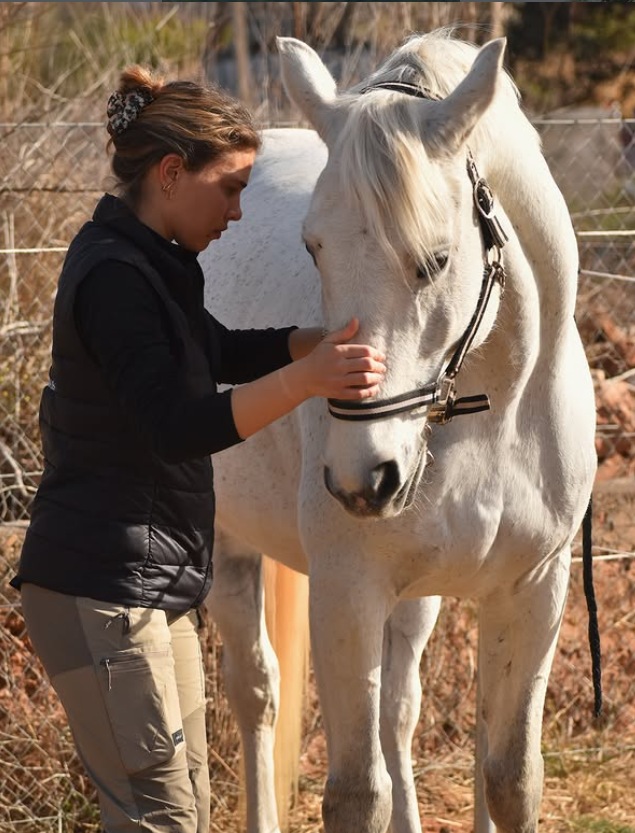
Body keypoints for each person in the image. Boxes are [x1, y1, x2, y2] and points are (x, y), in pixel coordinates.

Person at [10, 66, 386, 833]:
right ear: (171, 173)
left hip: (147, 585)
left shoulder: (154, 262)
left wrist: (308, 340)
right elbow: (176, 425)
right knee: (161, 816)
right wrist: (307, 379)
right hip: (102, 587)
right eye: (231, 188)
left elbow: (213, 348)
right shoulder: (115, 277)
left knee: (185, 809)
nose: (240, 211)